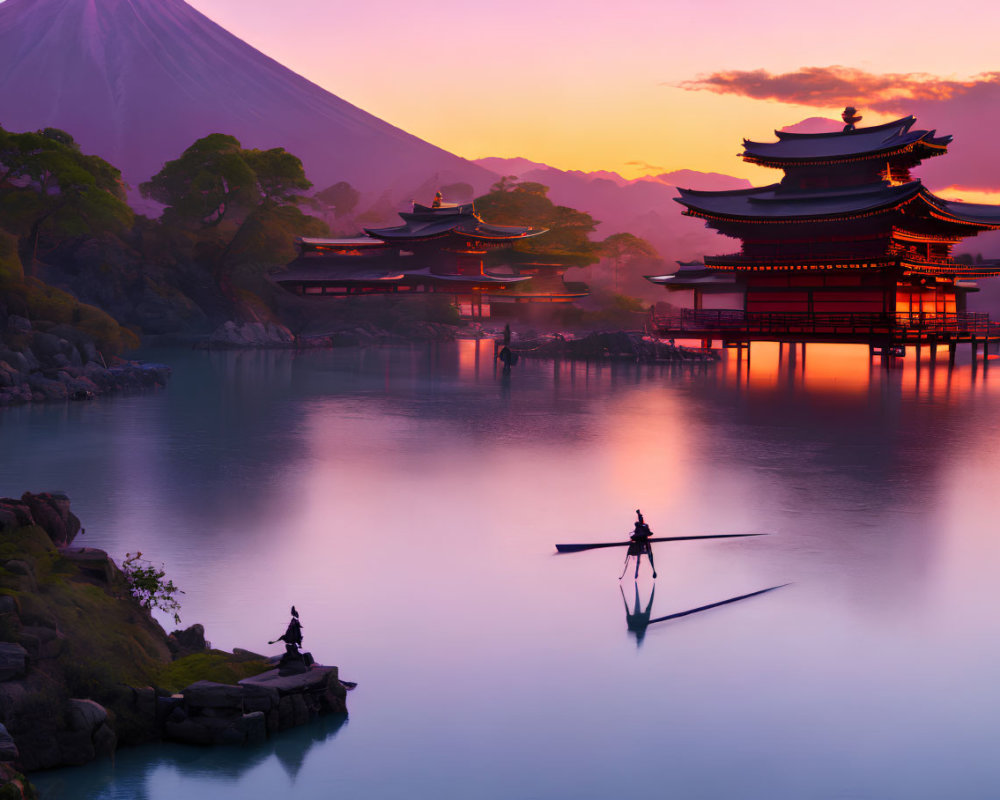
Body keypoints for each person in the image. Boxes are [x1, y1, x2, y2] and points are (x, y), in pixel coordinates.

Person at [624, 509, 657, 579]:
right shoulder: (641, 527)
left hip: (644, 543)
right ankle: (637, 573)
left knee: (649, 556)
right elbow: (635, 534)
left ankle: (652, 570)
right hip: (642, 543)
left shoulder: (643, 526)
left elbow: (638, 534)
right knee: (644, 557)